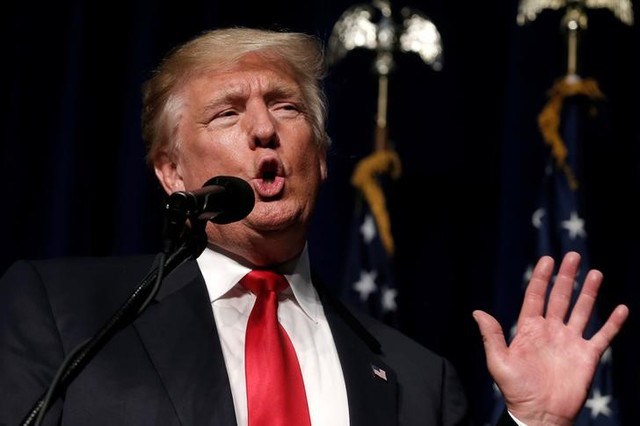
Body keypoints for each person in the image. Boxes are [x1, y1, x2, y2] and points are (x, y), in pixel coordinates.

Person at [0, 27, 628, 426]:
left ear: (322, 158)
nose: (263, 129)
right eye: (225, 114)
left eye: (286, 106)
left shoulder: (417, 381)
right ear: (171, 173)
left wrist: (536, 424)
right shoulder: (63, 314)